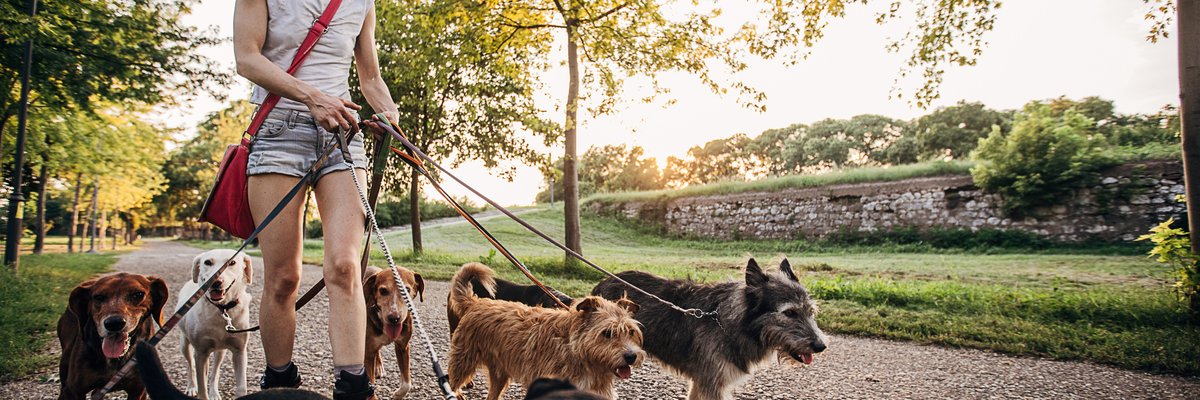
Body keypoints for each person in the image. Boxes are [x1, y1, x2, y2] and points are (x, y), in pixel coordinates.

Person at [233, 0, 398, 398]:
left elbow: (370, 78)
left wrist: (390, 114)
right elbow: (247, 59)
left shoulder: (362, 3)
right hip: (276, 133)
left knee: (344, 266)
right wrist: (312, 97)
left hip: (342, 132)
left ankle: (354, 385)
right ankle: (280, 381)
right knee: (283, 278)